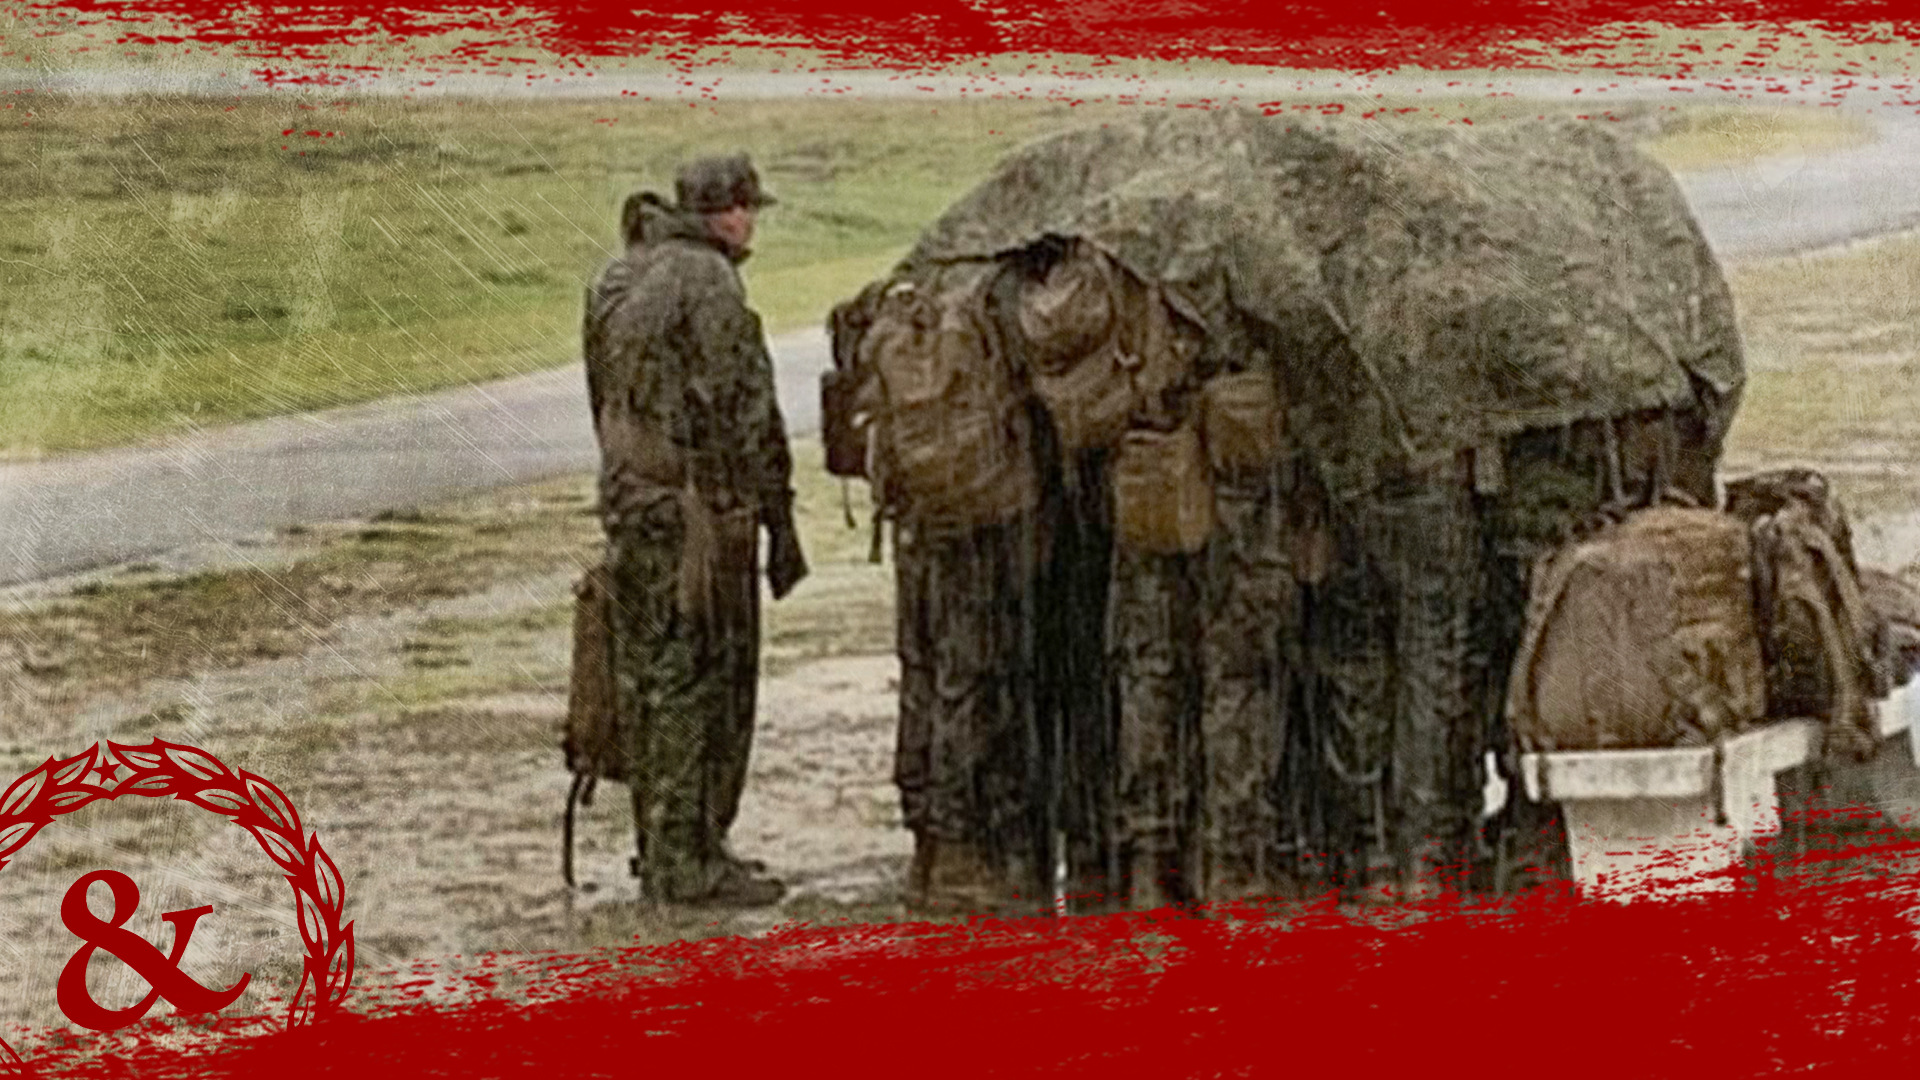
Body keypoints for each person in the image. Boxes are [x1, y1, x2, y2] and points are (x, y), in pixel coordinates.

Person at [582, 153, 808, 907]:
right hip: (698, 514)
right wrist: (777, 516)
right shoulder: (710, 281)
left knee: (648, 677)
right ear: (729, 211)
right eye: (748, 210)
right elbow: (748, 410)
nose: (751, 226)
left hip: (633, 503)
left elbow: (602, 400)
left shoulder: (616, 277)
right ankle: (690, 859)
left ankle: (664, 846)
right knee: (703, 679)